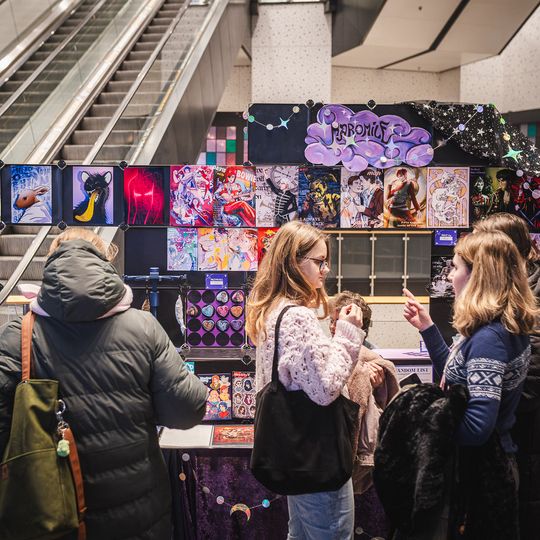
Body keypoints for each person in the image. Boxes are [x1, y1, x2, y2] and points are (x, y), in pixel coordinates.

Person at [0, 228, 208, 539]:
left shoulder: (17, 336)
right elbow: (188, 409)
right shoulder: (143, 327)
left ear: (51, 263)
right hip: (139, 516)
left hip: (51, 513)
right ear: (105, 261)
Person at [402, 231, 537, 538]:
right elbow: (458, 378)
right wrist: (427, 328)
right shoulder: (495, 329)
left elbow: (477, 426)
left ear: (478, 276)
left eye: (455, 267)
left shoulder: (490, 338)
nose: (449, 276)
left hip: (479, 476)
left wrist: (425, 430)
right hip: (486, 468)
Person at [246, 221, 365, 539]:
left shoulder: (274, 310)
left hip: (298, 452)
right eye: (319, 261)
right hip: (317, 455)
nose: (326, 269)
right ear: (293, 262)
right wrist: (348, 333)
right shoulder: (297, 316)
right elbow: (325, 389)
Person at [474, 212, 540, 540]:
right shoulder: (507, 293)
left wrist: (498, 405)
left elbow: (533, 376)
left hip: (522, 431)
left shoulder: (529, 296)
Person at [330, 291, 399, 498]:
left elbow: (383, 407)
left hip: (360, 455)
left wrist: (376, 387)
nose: (333, 327)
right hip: (335, 444)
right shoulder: (329, 350)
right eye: (332, 321)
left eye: (338, 321)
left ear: (360, 325)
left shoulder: (373, 358)